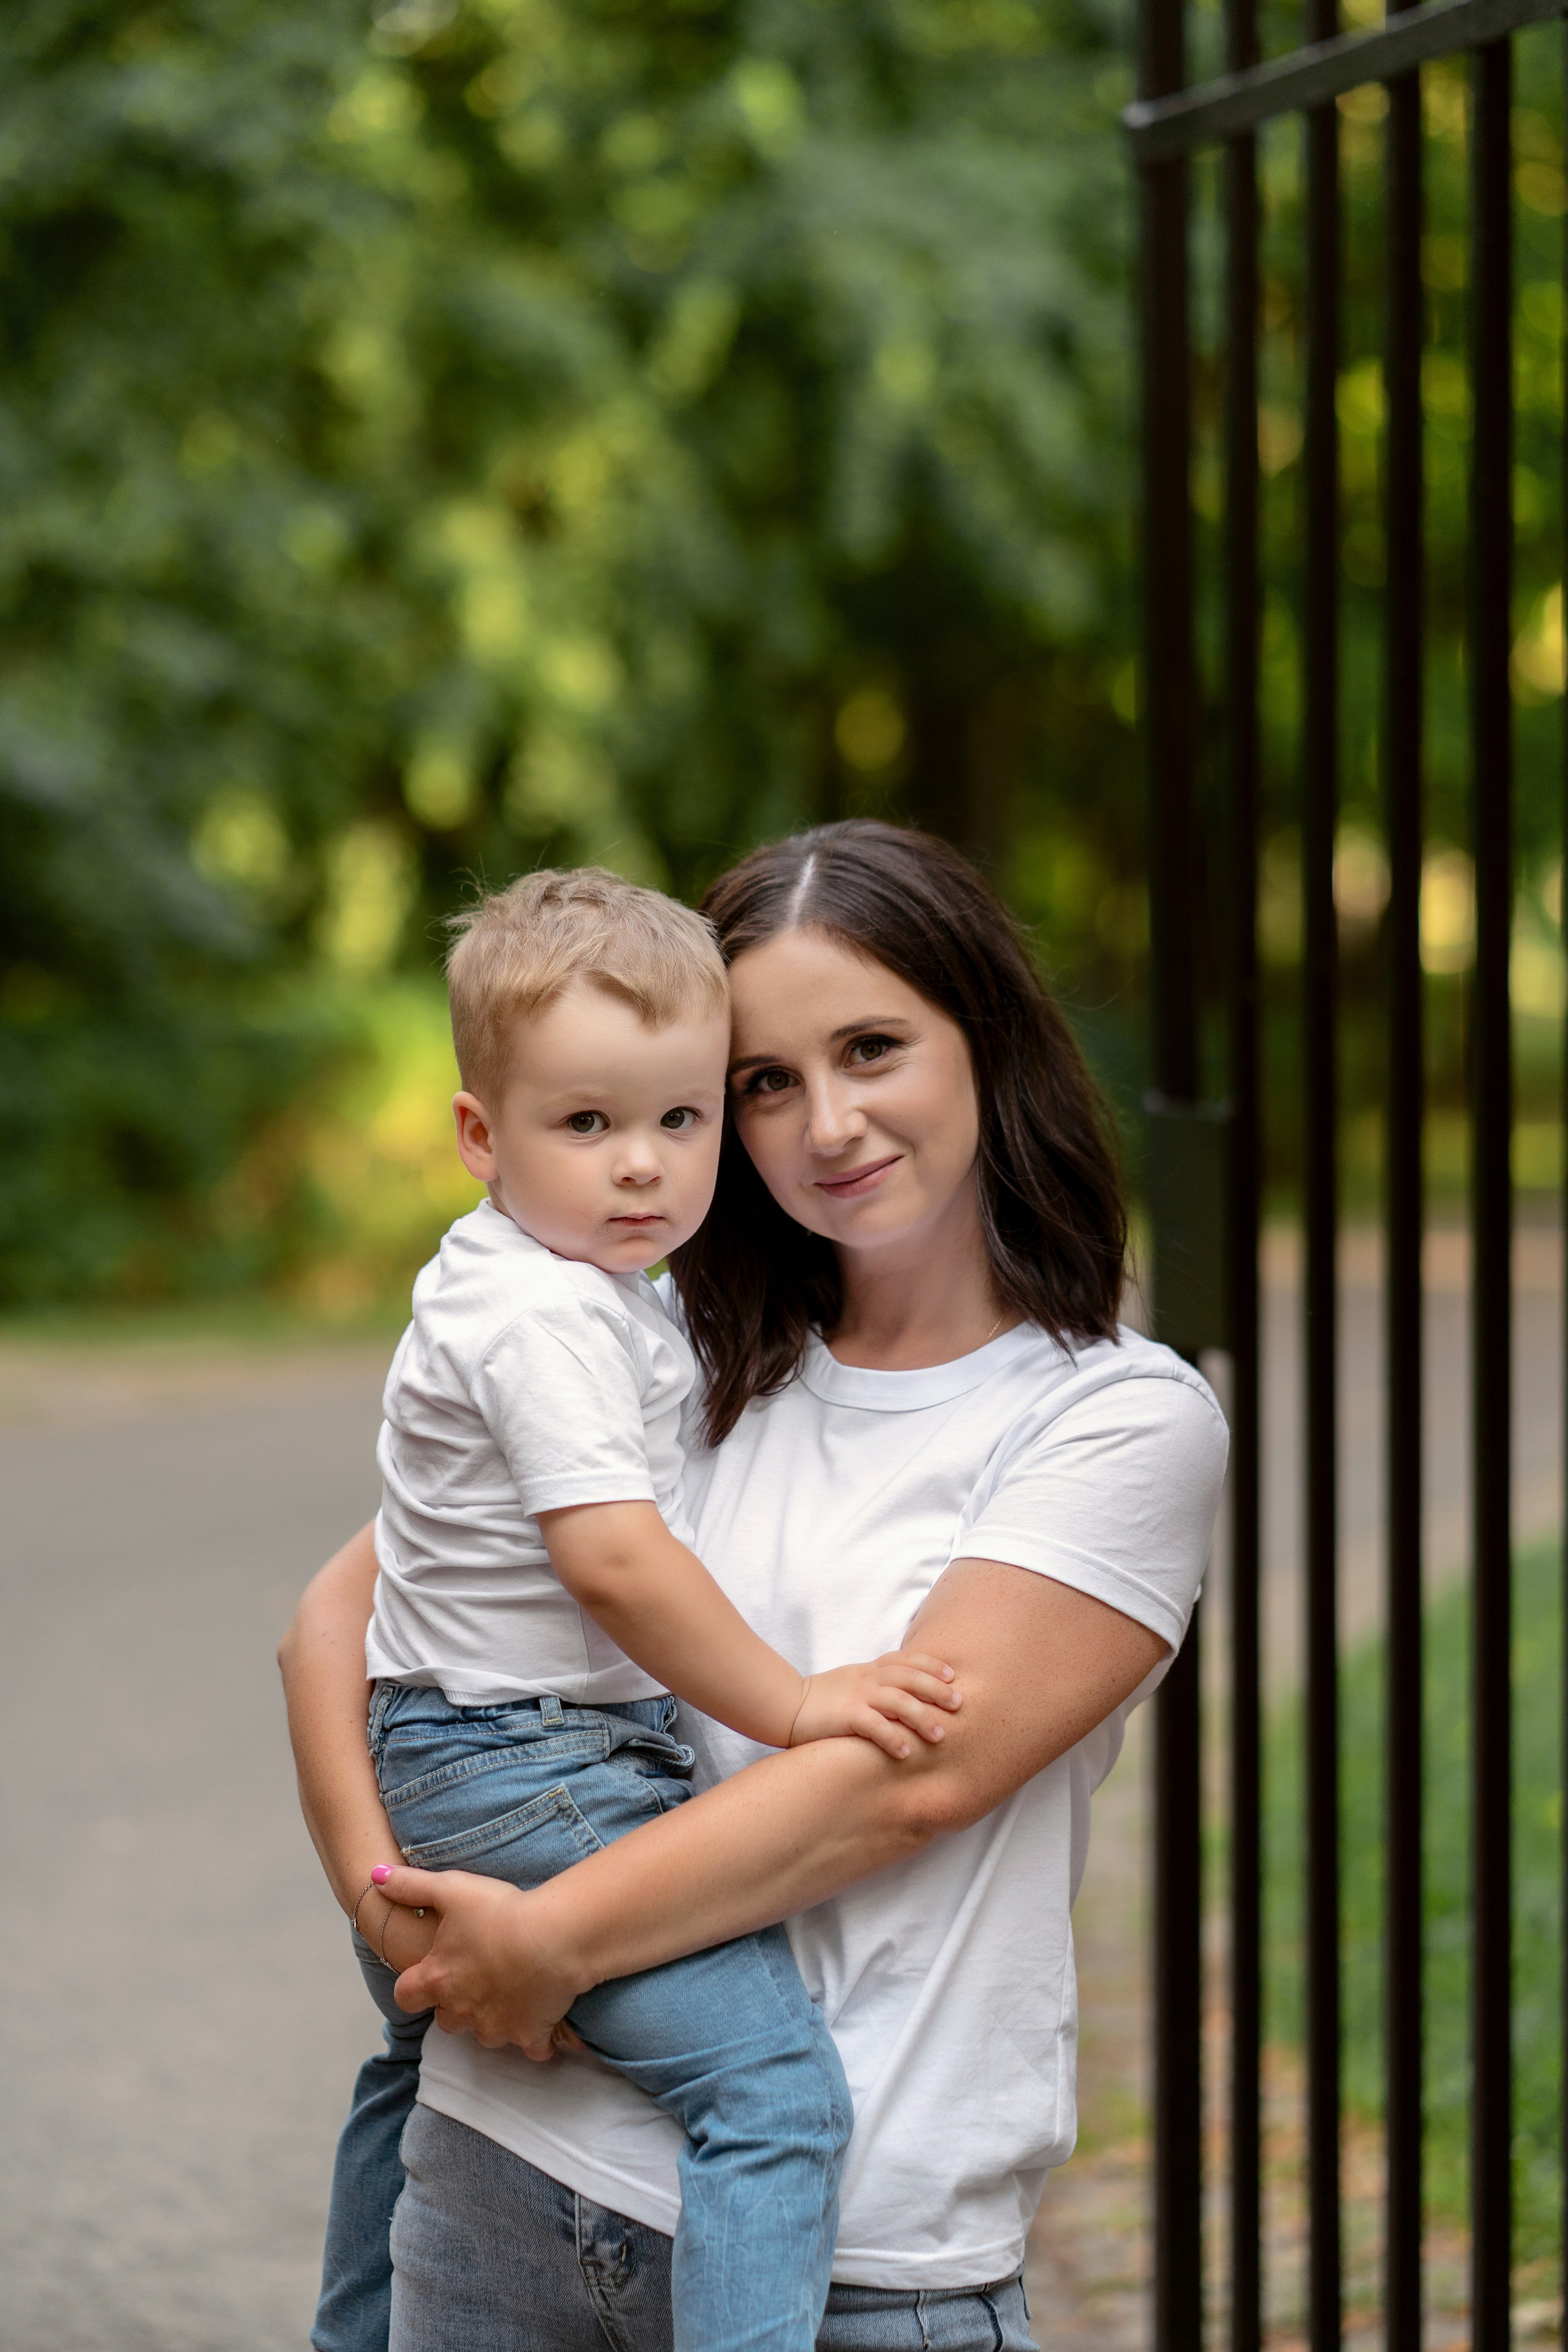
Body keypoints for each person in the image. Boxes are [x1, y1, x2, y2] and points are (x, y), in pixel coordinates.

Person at [280, 819, 1229, 2352]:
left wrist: (545, 1942)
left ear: (984, 1041)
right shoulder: (657, 1357)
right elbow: (336, 1621)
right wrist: (391, 1919)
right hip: (500, 2189)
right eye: (764, 1083)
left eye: (871, 1048)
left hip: (853, 2266)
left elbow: (889, 1791)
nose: (827, 1123)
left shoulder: (1112, 1418)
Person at [315, 865, 963, 2352]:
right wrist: (794, 1706)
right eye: (586, 1124)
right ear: (480, 1134)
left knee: (414, 2070)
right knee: (774, 2099)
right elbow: (612, 1557)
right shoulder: (544, 1316)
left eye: (679, 1120)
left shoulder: (557, 1284)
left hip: (452, 1753)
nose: (642, 1169)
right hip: (522, 1769)